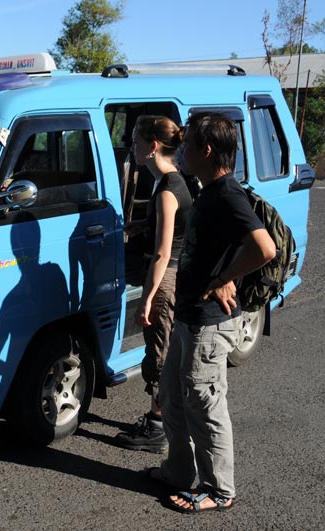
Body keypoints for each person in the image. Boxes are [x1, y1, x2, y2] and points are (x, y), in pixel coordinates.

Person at [150, 113, 276, 513]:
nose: (182, 152)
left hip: (210, 321)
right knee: (172, 397)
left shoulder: (227, 194)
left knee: (205, 405)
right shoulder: (206, 190)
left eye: (187, 147)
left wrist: (226, 275)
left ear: (205, 151)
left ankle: (219, 490)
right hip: (190, 314)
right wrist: (223, 272)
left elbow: (265, 247)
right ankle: (178, 471)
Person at [115, 116, 192, 453]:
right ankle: (160, 418)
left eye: (135, 140)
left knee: (159, 350)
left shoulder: (167, 190)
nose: (132, 145)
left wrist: (146, 298)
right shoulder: (172, 182)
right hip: (171, 271)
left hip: (166, 276)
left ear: (153, 146)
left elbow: (162, 253)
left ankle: (158, 427)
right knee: (161, 346)